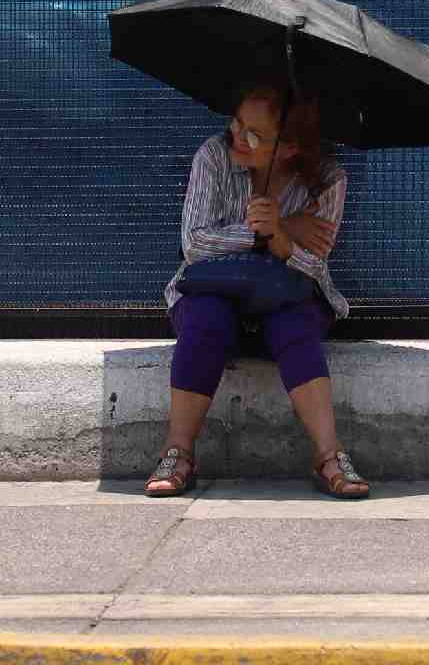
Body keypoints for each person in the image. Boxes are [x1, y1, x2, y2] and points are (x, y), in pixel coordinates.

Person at [144, 82, 369, 499]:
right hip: (216, 291)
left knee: (294, 321)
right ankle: (178, 451)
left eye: (253, 134)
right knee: (205, 317)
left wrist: (282, 237)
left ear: (289, 148)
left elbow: (316, 265)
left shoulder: (328, 180)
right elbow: (194, 243)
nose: (236, 136)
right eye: (236, 123)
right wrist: (259, 233)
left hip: (287, 294)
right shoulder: (212, 156)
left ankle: (329, 455)